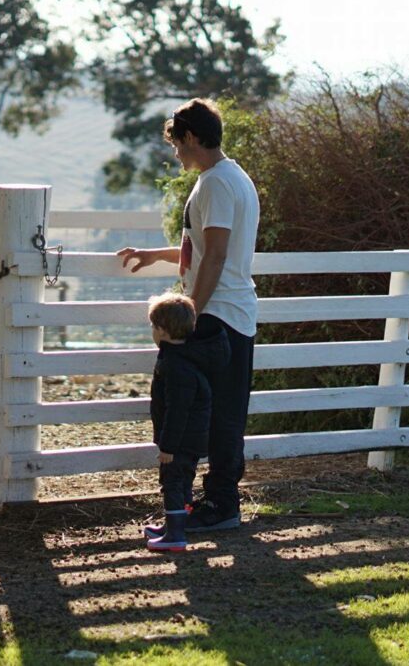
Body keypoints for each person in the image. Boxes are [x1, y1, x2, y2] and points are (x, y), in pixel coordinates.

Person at [119, 98, 259, 533]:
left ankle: (220, 505)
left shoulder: (216, 184)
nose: (175, 152)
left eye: (177, 143)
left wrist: (191, 312)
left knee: (210, 414)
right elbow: (201, 250)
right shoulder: (232, 178)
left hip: (217, 314)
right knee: (221, 411)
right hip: (231, 311)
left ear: (193, 137)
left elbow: (215, 256)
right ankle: (219, 502)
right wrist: (153, 255)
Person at [143, 292, 229, 551]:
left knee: (172, 482)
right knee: (183, 481)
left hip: (180, 440)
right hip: (191, 437)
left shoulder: (175, 366)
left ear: (163, 330)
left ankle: (175, 535)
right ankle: (175, 524)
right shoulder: (186, 358)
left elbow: (177, 410)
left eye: (153, 327)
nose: (152, 332)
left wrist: (167, 446)